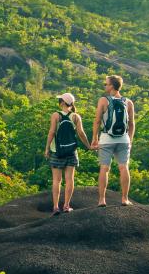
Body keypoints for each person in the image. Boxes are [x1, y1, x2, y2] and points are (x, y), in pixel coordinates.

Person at [44, 92, 94, 215]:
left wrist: (47, 149)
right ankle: (66, 206)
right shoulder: (76, 116)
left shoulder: (56, 115)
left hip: (57, 151)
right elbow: (81, 134)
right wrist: (89, 146)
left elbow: (51, 133)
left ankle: (56, 207)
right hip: (72, 152)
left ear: (61, 103)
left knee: (57, 180)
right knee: (69, 179)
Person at [91, 75, 136, 207]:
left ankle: (102, 200)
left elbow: (98, 121)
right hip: (124, 140)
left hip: (106, 139)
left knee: (104, 168)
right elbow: (132, 123)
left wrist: (94, 138)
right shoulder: (128, 102)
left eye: (106, 84)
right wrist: (130, 140)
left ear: (111, 86)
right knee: (123, 167)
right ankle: (124, 199)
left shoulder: (103, 100)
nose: (105, 86)